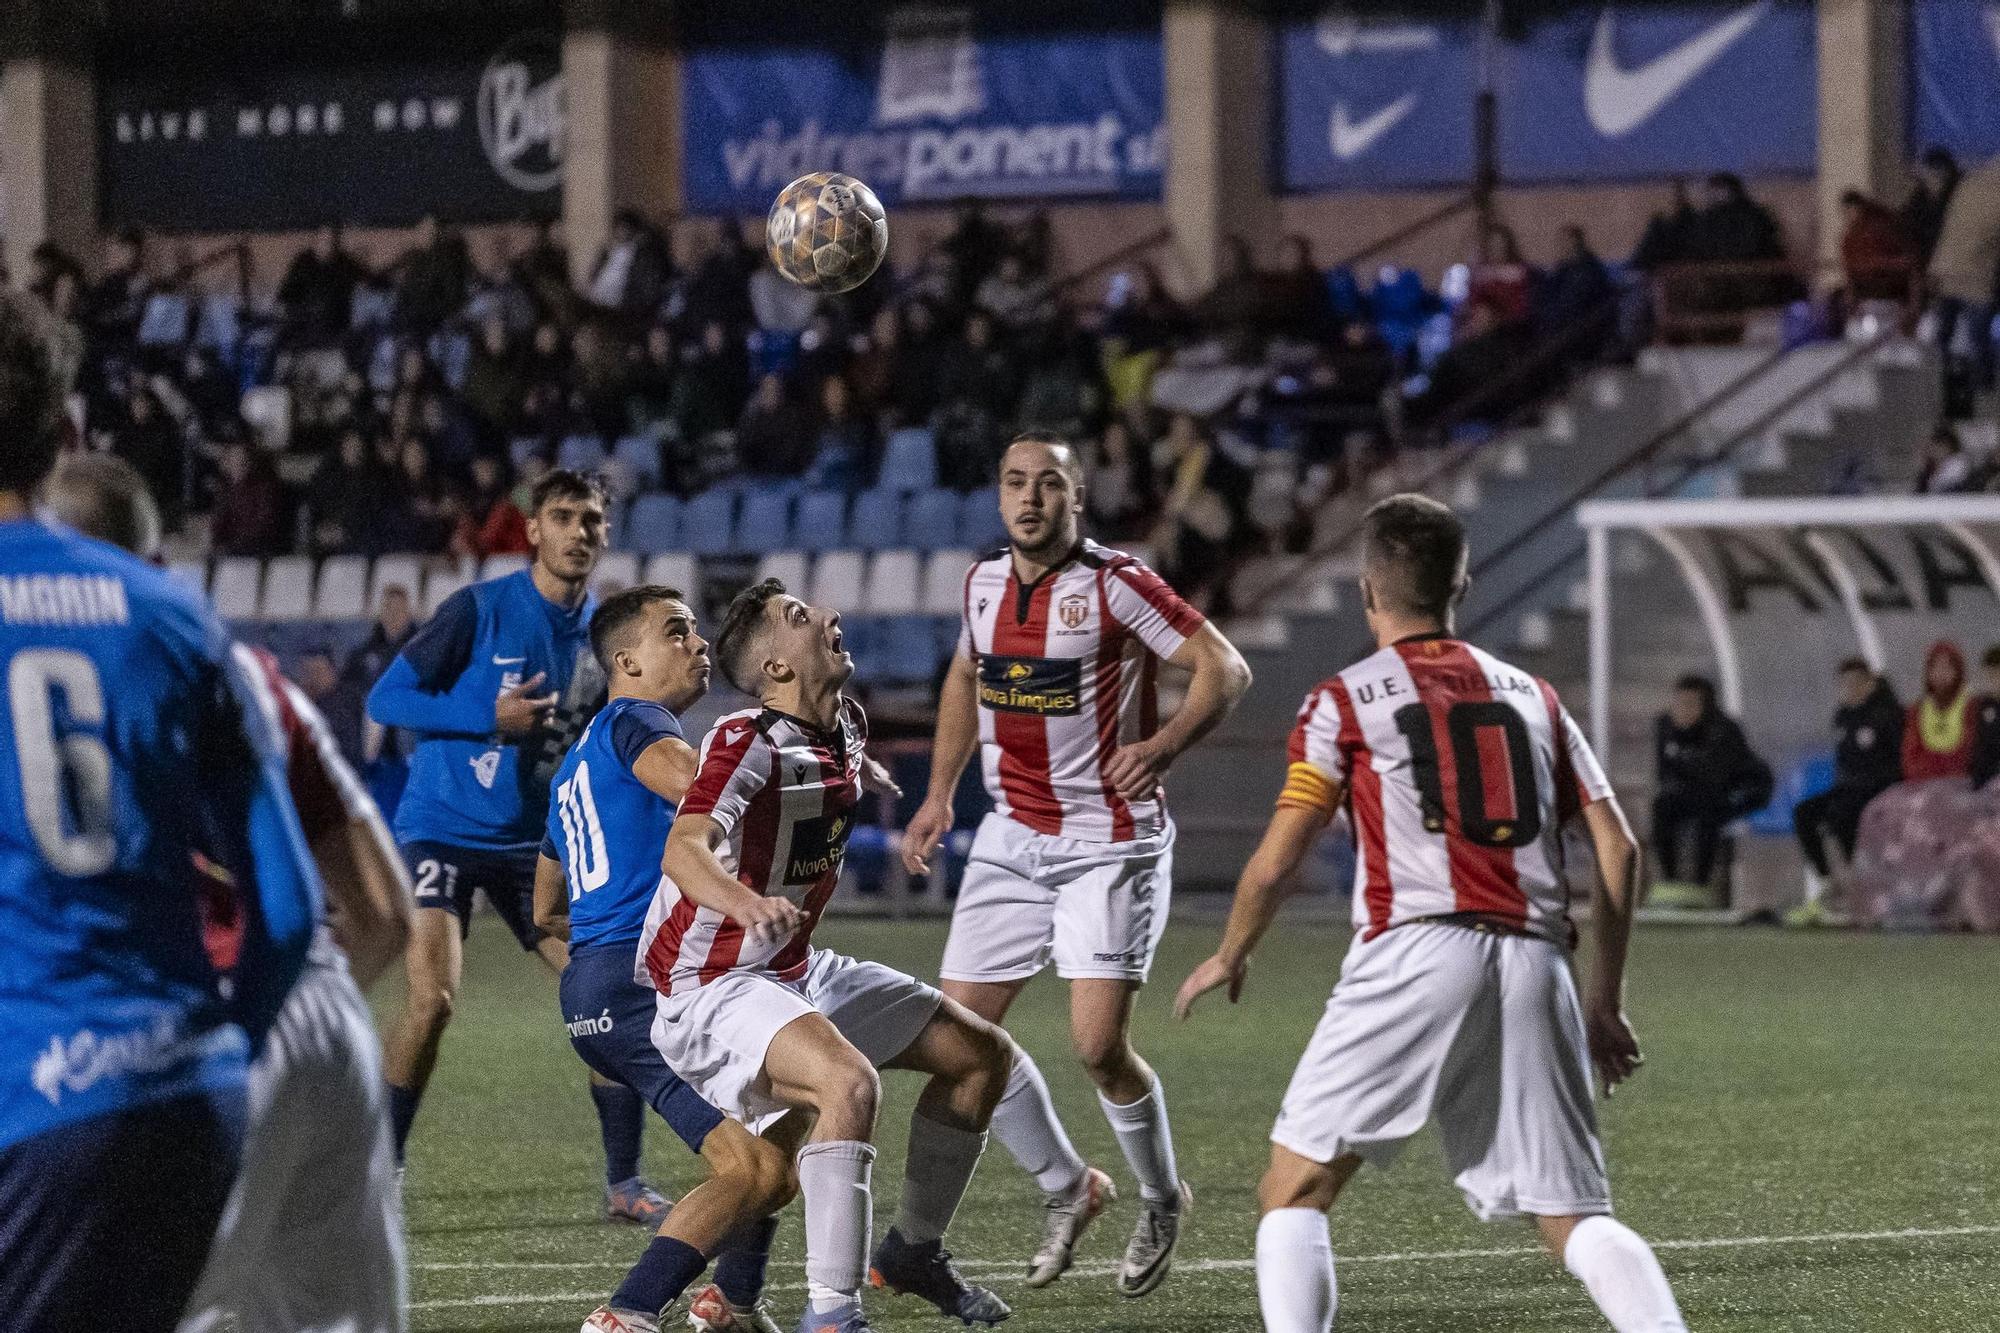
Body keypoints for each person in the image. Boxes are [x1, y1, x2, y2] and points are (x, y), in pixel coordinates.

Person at [1175, 493, 1687, 1333]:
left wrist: (1233, 950)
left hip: (1417, 948)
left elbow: (1277, 856)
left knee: (1294, 1187)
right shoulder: (1533, 696)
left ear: (1369, 591)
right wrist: (1603, 999)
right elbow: (1620, 849)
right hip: (1536, 961)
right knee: (1572, 1217)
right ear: (1461, 584)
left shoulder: (1344, 700)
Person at [0, 292, 321, 1329]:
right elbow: (286, 911)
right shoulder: (174, 614)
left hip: (27, 1107)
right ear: (65, 435)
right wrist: (208, 1045)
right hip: (184, 1101)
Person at [43, 452, 413, 1333]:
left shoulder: (48, 681)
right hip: (325, 1016)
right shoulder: (242, 670)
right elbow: (387, 912)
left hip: (184, 1034)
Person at [900, 433, 1253, 1295]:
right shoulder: (983, 581)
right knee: (959, 1044)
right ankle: (1068, 1185)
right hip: (1012, 837)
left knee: (1098, 1048)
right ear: (997, 495)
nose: (1030, 498)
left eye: (1048, 484)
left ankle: (1162, 1195)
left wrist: (1163, 745)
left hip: (1109, 837)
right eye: (1015, 482)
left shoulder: (1115, 583)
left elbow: (1224, 666)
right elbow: (963, 676)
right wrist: (940, 792)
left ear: (1077, 498)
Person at [644, 577, 1014, 1333]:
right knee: (850, 1084)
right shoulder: (746, 740)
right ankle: (833, 1316)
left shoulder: (842, 720)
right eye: (801, 617)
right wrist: (745, 902)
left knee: (980, 1055)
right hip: (710, 981)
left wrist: (869, 774)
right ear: (776, 669)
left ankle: (913, 1248)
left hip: (791, 970)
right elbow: (684, 849)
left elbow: (828, 779)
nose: (829, 617)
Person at [367, 469, 671, 1223]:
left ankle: (624, 1183)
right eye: (563, 517)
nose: (578, 532)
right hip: (442, 826)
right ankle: (378, 1171)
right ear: (532, 529)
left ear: (606, 534)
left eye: (592, 520)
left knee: (610, 993)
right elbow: (386, 698)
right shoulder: (481, 608)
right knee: (433, 999)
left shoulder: (606, 638)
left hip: (535, 842)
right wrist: (485, 714)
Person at [533, 586, 793, 1333]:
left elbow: (545, 906)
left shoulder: (571, 771)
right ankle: (629, 1311)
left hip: (601, 982)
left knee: (789, 1106)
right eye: (676, 632)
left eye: (696, 631)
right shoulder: (636, 719)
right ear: (627, 661)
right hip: (642, 984)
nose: (698, 643)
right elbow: (701, 785)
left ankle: (732, 1301)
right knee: (752, 1165)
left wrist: (598, 954)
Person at [1650, 674, 1773, 901]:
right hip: (1693, 793)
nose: (1683, 709)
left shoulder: (1723, 730)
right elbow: (1665, 773)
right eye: (1679, 703)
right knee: (1662, 807)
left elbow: (1717, 779)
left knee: (1709, 813)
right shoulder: (1666, 726)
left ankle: (1701, 886)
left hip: (1740, 794)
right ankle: (1671, 883)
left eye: (1690, 704)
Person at [1792, 659, 1903, 893]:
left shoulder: (1889, 714)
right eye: (1844, 684)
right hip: (1849, 789)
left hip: (1881, 789)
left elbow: (1896, 761)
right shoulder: (1843, 717)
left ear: (1869, 684)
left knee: (1842, 813)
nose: (1849, 689)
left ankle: (1863, 880)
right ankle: (1826, 880)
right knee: (1803, 813)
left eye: (1854, 683)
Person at [1902, 640, 1975, 782]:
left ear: (1958, 672)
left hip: (1962, 787)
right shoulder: (1917, 710)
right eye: (1935, 668)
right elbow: (1910, 757)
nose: (1940, 674)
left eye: (1947, 668)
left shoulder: (1973, 707)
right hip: (1925, 786)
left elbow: (1972, 753)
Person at [1972, 644, 2000, 792]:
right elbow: (1981, 747)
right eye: (1992, 675)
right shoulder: (1984, 706)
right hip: (1988, 781)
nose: (1996, 680)